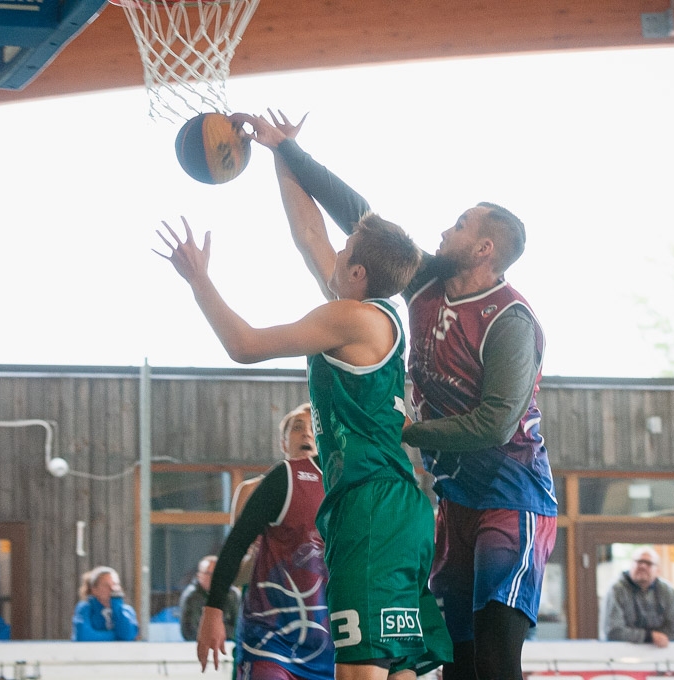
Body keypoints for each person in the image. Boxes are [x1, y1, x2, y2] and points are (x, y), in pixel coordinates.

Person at [237, 110, 556, 680]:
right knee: (455, 658)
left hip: (514, 492)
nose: (445, 230)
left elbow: (495, 424)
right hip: (452, 492)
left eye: (460, 224)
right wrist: (288, 153)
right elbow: (361, 219)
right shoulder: (427, 280)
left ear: (484, 248)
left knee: (495, 652)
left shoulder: (511, 318)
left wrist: (399, 430)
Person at [154, 180, 451, 676]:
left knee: (360, 669)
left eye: (346, 249)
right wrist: (282, 152)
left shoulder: (351, 319)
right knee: (401, 667)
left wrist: (198, 279)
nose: (332, 252)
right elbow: (309, 237)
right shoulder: (373, 314)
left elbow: (244, 345)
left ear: (356, 273)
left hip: (369, 507)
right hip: (401, 507)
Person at [196, 403, 334, 679]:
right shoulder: (258, 487)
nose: (306, 434)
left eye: (311, 428)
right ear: (283, 442)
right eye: (297, 428)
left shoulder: (337, 486)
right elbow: (235, 552)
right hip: (269, 632)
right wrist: (214, 609)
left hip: (323, 636)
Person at [600, 547, 674, 647]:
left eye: (649, 563)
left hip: (661, 654)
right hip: (620, 654)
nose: (643, 566)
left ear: (658, 570)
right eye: (639, 562)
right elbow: (613, 632)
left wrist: (655, 638)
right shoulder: (616, 590)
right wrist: (649, 636)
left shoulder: (668, 591)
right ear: (631, 565)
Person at [180, 555, 240, 642]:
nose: (212, 578)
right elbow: (192, 632)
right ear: (199, 575)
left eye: (216, 574)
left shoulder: (232, 594)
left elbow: (238, 628)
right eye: (208, 573)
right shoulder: (191, 597)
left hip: (228, 645)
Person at [71, 565, 139, 641]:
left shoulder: (127, 610)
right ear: (94, 589)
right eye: (106, 585)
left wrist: (117, 607)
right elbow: (84, 636)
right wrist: (116, 636)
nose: (112, 589)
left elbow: (128, 636)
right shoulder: (85, 608)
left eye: (115, 584)